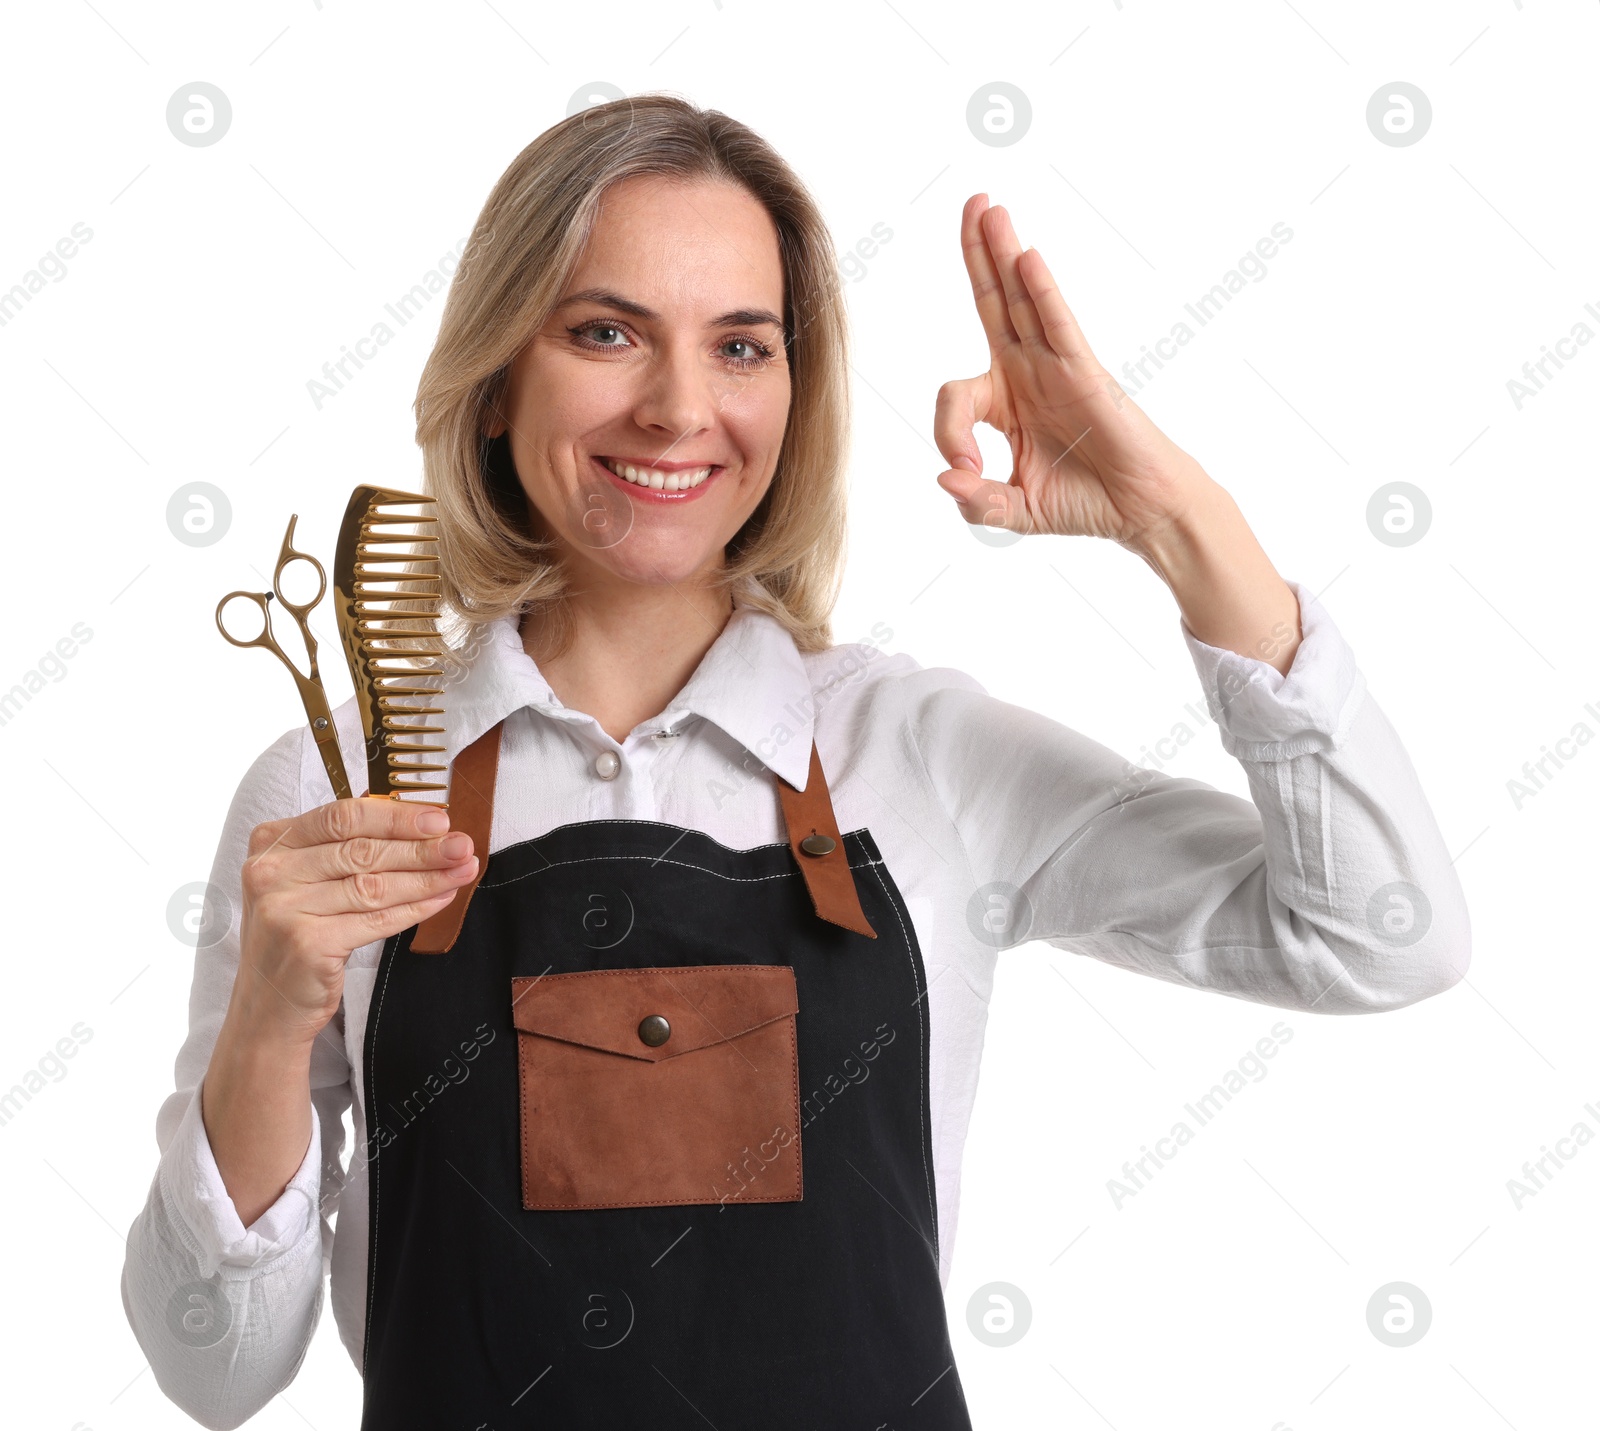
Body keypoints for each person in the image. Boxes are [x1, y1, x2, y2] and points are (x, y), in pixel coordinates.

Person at [121, 95, 1469, 1430]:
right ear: (494, 380)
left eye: (742, 348)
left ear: (794, 392)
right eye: (607, 333)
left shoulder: (919, 753)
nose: (678, 409)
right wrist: (265, 1019)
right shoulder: (335, 790)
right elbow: (214, 1371)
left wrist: (1179, 519)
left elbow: (1380, 938)